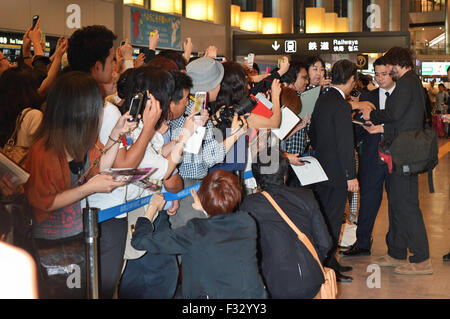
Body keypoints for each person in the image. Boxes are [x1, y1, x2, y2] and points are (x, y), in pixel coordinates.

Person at [24, 71, 133, 298]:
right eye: (97, 107)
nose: (99, 113)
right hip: (52, 244)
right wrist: (89, 188)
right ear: (79, 111)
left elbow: (98, 165)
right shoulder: (44, 151)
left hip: (77, 236)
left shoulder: (82, 141)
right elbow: (46, 202)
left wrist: (115, 134)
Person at [130, 170, 267, 299]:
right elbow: (218, 231)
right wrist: (207, 208)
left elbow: (140, 241)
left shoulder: (195, 231)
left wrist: (152, 207)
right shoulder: (247, 222)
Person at [360, 47, 433, 275]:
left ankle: (421, 259)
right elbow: (405, 119)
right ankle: (397, 252)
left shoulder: (406, 82)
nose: (387, 71)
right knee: (398, 204)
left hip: (404, 153)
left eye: (389, 66)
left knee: (406, 206)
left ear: (395, 64)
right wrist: (383, 126)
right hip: (403, 150)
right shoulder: (413, 82)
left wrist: (371, 115)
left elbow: (392, 112)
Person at [167, 57, 248, 229]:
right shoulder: (198, 113)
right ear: (213, 85)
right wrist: (235, 134)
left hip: (177, 181)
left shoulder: (184, 106)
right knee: (194, 237)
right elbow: (211, 157)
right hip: (189, 186)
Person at [240, 151, 332, 298]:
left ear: (257, 177)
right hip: (311, 279)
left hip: (275, 282)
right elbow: (325, 243)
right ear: (285, 173)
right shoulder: (307, 196)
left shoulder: (250, 204)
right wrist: (311, 262)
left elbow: (246, 251)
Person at [310, 59, 359, 283]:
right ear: (351, 80)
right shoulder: (341, 104)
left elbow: (314, 134)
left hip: (321, 168)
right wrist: (351, 175)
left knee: (326, 216)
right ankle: (328, 265)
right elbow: (345, 143)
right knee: (333, 218)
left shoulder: (322, 98)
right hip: (338, 171)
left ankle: (330, 261)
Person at [341, 57, 395, 257]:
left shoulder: (401, 97)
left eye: (384, 74)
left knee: (397, 202)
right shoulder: (367, 96)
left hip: (396, 157)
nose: (380, 79)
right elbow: (356, 130)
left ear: (393, 73)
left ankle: (396, 245)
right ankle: (362, 242)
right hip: (372, 157)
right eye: (377, 74)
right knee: (368, 201)